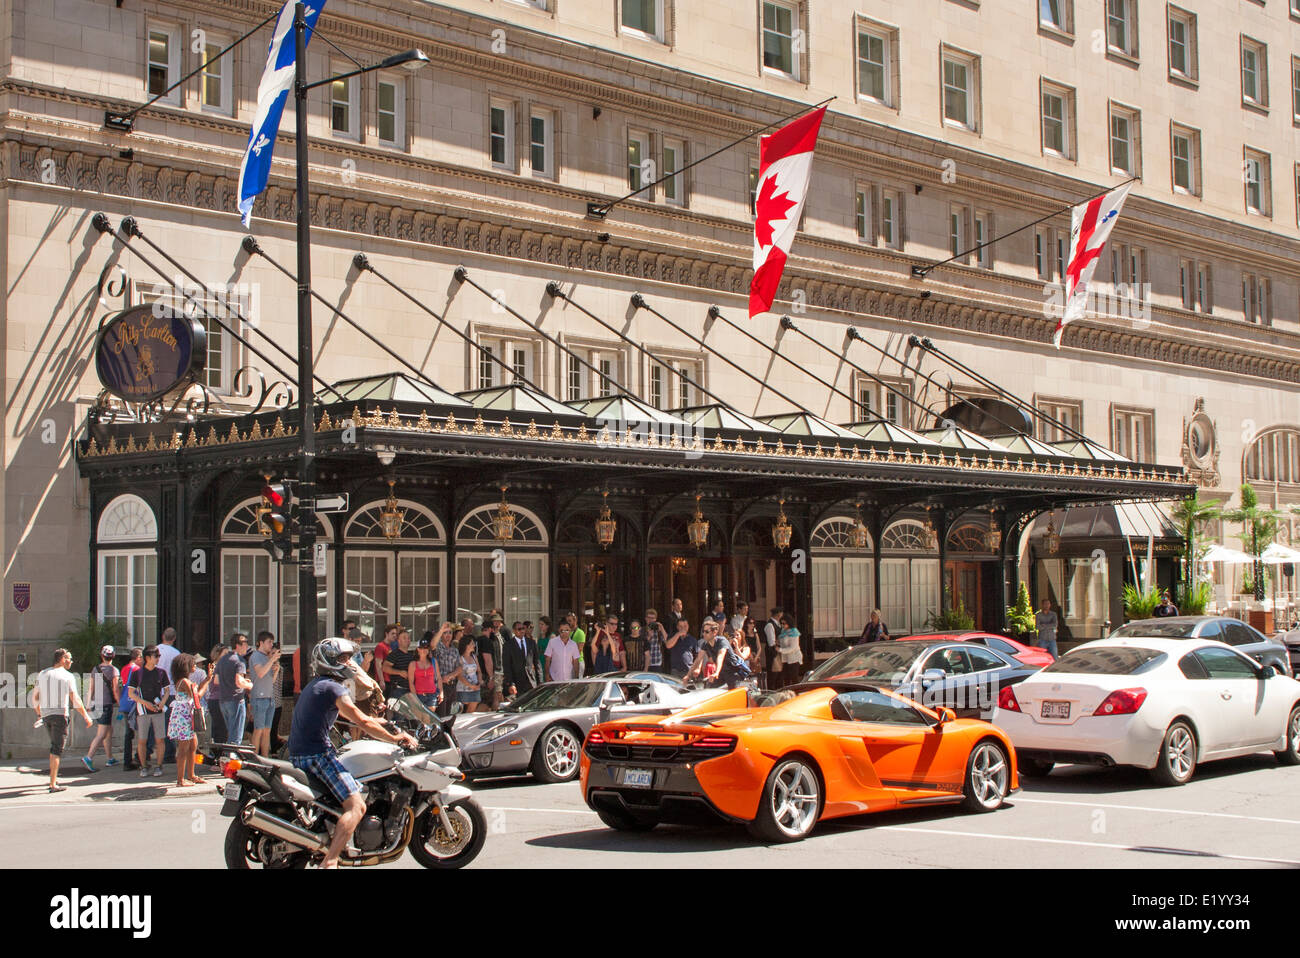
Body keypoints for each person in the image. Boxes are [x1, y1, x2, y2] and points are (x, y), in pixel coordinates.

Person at [288, 637, 418, 868]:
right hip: (317, 755)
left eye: (348, 657)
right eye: (343, 658)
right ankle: (331, 861)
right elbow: (361, 720)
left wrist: (380, 721)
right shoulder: (333, 688)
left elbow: (356, 718)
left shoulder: (317, 685)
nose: (349, 662)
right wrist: (395, 738)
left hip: (300, 753)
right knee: (357, 806)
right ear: (329, 661)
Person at [33, 648, 93, 792]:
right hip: (60, 715)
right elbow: (75, 699)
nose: (71, 661)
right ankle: (53, 784)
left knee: (54, 746)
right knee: (56, 749)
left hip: (46, 715)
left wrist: (39, 713)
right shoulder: (67, 676)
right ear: (62, 659)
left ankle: (53, 778)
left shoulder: (42, 674)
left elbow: (35, 697)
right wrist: (86, 716)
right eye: (69, 658)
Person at [167, 653, 212, 788]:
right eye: (193, 664)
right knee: (184, 748)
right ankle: (180, 780)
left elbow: (195, 690)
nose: (195, 666)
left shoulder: (183, 681)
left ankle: (191, 775)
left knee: (193, 745)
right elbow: (197, 695)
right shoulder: (185, 681)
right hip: (184, 717)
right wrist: (208, 681)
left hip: (186, 716)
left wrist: (207, 679)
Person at [128, 646, 171, 777]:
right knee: (142, 740)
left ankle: (159, 765)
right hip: (142, 711)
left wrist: (162, 703)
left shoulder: (161, 673)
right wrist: (145, 703)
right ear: (148, 658)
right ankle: (144, 766)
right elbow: (131, 693)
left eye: (159, 656)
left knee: (160, 739)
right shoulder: (137, 674)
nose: (158, 658)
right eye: (156, 656)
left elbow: (167, 690)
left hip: (158, 710)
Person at [84, 645, 120, 771]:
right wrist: (120, 703)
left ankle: (110, 758)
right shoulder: (114, 670)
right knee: (101, 734)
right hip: (106, 705)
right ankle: (89, 757)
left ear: (101, 655)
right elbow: (115, 689)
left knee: (108, 731)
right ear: (113, 656)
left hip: (96, 703)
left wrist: (88, 704)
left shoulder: (96, 669)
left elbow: (91, 688)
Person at [685, 622, 753, 689]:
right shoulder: (705, 644)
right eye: (703, 631)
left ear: (714, 632)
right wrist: (688, 675)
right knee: (709, 688)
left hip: (733, 672)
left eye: (706, 632)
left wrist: (716, 672)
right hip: (721, 672)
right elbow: (698, 659)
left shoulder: (722, 641)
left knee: (733, 692)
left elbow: (720, 656)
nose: (704, 634)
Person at [215, 633, 253, 745]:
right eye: (245, 644)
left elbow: (216, 681)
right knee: (236, 737)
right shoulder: (240, 660)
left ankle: (228, 758)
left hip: (223, 700)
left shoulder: (222, 660)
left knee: (231, 732)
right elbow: (239, 682)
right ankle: (232, 760)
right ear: (238, 645)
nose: (247, 647)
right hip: (236, 700)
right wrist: (250, 685)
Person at [248, 632, 282, 757]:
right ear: (261, 643)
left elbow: (270, 680)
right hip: (259, 697)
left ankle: (265, 757)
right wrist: (272, 659)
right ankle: (255, 758)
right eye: (269, 642)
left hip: (269, 697)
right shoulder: (256, 656)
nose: (271, 645)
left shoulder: (267, 657)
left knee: (267, 730)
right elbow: (260, 673)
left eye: (272, 643)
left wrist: (276, 670)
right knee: (258, 730)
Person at [155, 627, 180, 765]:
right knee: (169, 723)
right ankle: (168, 753)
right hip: (170, 691)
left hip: (156, 691)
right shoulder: (176, 653)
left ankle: (151, 750)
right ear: (174, 639)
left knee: (156, 722)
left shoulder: (156, 650)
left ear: (163, 636)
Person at [118, 648, 143, 770]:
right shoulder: (137, 670)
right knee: (142, 732)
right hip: (134, 703)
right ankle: (139, 758)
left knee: (128, 733)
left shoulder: (124, 668)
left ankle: (127, 761)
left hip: (125, 704)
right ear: (138, 657)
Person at [502, 620, 541, 698]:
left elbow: (537, 663)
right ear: (514, 631)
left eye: (523, 628)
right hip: (517, 682)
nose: (522, 631)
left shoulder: (531, 643)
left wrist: (539, 681)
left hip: (531, 681)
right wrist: (510, 684)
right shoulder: (508, 645)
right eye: (519, 629)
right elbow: (507, 666)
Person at [433, 623, 462, 718]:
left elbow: (459, 667)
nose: (448, 635)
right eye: (445, 633)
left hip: (452, 684)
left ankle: (448, 731)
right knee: (441, 714)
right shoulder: (438, 647)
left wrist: (451, 676)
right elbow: (432, 645)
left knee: (451, 714)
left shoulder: (455, 650)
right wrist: (441, 630)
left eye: (450, 632)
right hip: (440, 685)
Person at [204, 644, 229, 746]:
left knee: (219, 729)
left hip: (220, 699)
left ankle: (216, 752)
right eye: (225, 653)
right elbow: (217, 681)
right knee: (220, 730)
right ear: (218, 654)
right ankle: (218, 754)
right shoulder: (216, 666)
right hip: (216, 700)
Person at [409, 636, 443, 710]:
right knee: (420, 718)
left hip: (432, 695)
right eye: (421, 648)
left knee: (429, 718)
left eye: (426, 648)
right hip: (419, 695)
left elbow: (439, 678)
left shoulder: (433, 661)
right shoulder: (413, 664)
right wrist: (415, 698)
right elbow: (411, 682)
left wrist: (441, 692)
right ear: (417, 649)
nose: (423, 650)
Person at [383, 628, 416, 701]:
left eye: (408, 638)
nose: (407, 640)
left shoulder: (412, 656)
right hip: (398, 691)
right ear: (399, 641)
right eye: (404, 638)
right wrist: (399, 672)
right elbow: (385, 667)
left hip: (411, 691)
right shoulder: (394, 654)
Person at [456, 636, 485, 712]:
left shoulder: (474, 657)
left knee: (471, 711)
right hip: (464, 689)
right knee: (461, 711)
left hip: (475, 687)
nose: (474, 646)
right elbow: (460, 676)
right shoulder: (460, 658)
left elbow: (479, 671)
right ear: (466, 645)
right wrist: (471, 686)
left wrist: (479, 681)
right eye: (472, 644)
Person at [777, 614, 803, 688]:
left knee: (794, 678)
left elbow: (793, 647)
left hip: (794, 657)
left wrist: (780, 650)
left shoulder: (794, 632)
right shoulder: (783, 631)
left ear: (789, 623)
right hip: (785, 658)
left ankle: (797, 693)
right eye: (781, 623)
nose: (782, 625)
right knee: (786, 678)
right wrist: (778, 643)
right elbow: (782, 642)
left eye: (784, 623)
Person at [642, 608, 668, 674]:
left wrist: (662, 628)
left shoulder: (658, 631)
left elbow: (667, 641)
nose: (650, 620)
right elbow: (641, 645)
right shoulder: (642, 630)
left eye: (652, 618)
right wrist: (649, 636)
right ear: (645, 618)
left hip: (656, 663)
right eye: (649, 617)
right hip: (644, 663)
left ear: (655, 619)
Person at [763, 608, 783, 688]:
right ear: (778, 614)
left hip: (778, 650)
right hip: (773, 651)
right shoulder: (770, 625)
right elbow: (771, 642)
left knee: (779, 673)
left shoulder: (778, 624)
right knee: (773, 673)